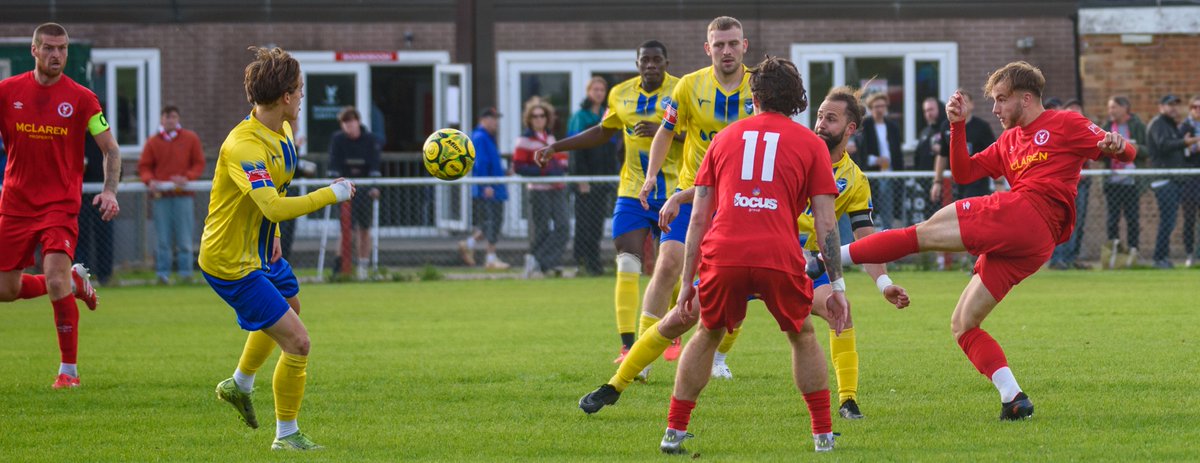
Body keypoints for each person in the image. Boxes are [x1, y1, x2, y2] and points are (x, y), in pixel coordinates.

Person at [577, 86, 911, 423]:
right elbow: (732, 180)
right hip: (752, 248)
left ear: (850, 128)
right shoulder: (793, 146)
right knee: (683, 316)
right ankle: (615, 384)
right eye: (820, 115)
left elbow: (866, 241)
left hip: (800, 264)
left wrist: (884, 283)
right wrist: (681, 196)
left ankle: (848, 401)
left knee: (840, 314)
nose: (820, 123)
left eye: (831, 119)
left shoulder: (854, 180)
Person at [838, 61, 1136, 420]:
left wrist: (1119, 146)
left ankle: (826, 258)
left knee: (921, 233)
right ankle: (1014, 398)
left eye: (1001, 99)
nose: (995, 108)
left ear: (1026, 99)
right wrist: (957, 126)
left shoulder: (1064, 122)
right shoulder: (1009, 140)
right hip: (1034, 244)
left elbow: (1127, 152)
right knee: (963, 324)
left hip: (1028, 214)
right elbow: (964, 173)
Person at [656, 56, 847, 455]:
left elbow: (698, 218)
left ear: (754, 96)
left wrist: (687, 281)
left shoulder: (724, 138)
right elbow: (827, 225)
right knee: (802, 334)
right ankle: (823, 435)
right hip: (778, 253)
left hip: (723, 252)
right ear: (797, 100)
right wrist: (838, 286)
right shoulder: (812, 145)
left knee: (707, 332)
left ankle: (673, 431)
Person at [203, 46, 355, 451]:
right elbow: (271, 204)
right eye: (300, 89)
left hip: (260, 248)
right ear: (286, 96)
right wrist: (331, 194)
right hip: (231, 261)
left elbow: (272, 194)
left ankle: (239, 384)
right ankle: (286, 436)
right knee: (298, 342)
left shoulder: (283, 129)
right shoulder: (244, 146)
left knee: (291, 305)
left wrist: (272, 236)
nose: (303, 96)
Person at [535, 41, 684, 355]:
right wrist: (556, 147)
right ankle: (628, 347)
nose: (651, 65)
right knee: (628, 262)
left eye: (657, 60)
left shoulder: (682, 91)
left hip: (675, 192)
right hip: (632, 193)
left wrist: (664, 130)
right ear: (637, 64)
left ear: (667, 63)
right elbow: (603, 131)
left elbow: (698, 134)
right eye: (645, 60)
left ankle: (671, 330)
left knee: (670, 266)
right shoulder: (620, 93)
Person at [0, 23, 118, 389]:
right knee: (5, 289)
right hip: (16, 204)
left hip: (59, 205)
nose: (57, 55)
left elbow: (111, 150)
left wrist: (110, 191)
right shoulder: (7, 92)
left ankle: (69, 372)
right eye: (49, 48)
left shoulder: (83, 99)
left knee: (53, 278)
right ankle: (74, 282)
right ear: (34, 50)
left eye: (62, 48)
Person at [634, 16, 755, 369]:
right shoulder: (689, 85)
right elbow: (666, 132)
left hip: (741, 198)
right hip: (693, 191)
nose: (726, 51)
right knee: (668, 264)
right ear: (708, 48)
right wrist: (651, 176)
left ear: (744, 46)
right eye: (719, 45)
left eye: (733, 44)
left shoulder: (759, 86)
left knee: (738, 282)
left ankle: (718, 358)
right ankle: (641, 358)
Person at [138, 105, 206, 284]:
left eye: (173, 117)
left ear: (178, 119)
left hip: (184, 195)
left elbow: (198, 163)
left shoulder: (190, 138)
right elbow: (144, 167)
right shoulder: (153, 142)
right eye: (167, 117)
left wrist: (187, 177)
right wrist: (150, 180)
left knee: (185, 239)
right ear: (162, 119)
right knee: (163, 240)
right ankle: (163, 275)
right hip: (161, 198)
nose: (170, 120)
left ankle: (186, 275)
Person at [566, 77, 618, 276]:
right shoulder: (580, 117)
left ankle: (594, 263)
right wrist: (580, 178)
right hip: (586, 181)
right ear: (588, 91)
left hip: (603, 180)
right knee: (584, 223)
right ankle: (581, 262)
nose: (598, 93)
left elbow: (612, 148)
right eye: (595, 89)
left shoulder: (607, 115)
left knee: (597, 225)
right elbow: (575, 149)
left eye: (602, 89)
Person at [512, 97, 569, 278]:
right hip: (538, 190)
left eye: (542, 115)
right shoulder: (524, 140)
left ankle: (540, 261)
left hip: (557, 188)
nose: (538, 119)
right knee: (541, 229)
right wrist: (544, 171)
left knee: (563, 226)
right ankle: (539, 263)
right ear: (529, 119)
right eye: (535, 116)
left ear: (547, 117)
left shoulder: (551, 137)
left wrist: (560, 166)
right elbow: (519, 167)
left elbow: (561, 161)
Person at [328, 106, 381, 280]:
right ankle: (340, 265)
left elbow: (375, 165)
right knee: (346, 230)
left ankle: (363, 266)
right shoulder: (338, 140)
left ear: (358, 122)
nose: (348, 126)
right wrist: (336, 184)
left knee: (364, 229)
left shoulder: (370, 140)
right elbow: (333, 164)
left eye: (350, 122)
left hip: (365, 191)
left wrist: (374, 187)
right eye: (344, 123)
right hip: (345, 191)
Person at [1146, 94, 1200, 268]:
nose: (1174, 108)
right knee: (1167, 221)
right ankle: (1159, 258)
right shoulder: (1158, 124)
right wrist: (1185, 142)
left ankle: (1163, 257)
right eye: (1170, 105)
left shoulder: (1171, 125)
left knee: (1170, 221)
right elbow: (1163, 145)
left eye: (1176, 104)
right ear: (1161, 107)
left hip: (1174, 179)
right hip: (1163, 179)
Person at [1049, 99, 1098, 270]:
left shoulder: (1085, 131)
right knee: (1062, 222)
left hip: (1082, 184)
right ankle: (1057, 258)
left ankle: (1071, 258)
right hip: (1064, 185)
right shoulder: (1059, 132)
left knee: (1078, 222)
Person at [461, 107, 511, 270]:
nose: (496, 123)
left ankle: (468, 244)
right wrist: (486, 185)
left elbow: (492, 162)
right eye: (492, 119)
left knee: (490, 223)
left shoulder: (487, 137)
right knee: (493, 222)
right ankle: (490, 258)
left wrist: (504, 172)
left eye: (496, 119)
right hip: (490, 188)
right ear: (483, 120)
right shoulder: (480, 137)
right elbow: (481, 163)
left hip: (495, 186)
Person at [1100, 96, 1147, 268]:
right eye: (1109, 107)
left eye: (1114, 107)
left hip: (1131, 181)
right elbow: (1098, 153)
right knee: (1112, 220)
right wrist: (1107, 150)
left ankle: (1134, 253)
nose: (1111, 111)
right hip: (1112, 181)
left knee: (1133, 219)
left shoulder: (1137, 125)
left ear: (1125, 107)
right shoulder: (1106, 127)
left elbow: (1148, 150)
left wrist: (1135, 148)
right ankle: (1113, 253)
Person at [857, 92, 904, 230]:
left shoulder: (892, 126)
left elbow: (897, 151)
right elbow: (862, 151)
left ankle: (887, 231)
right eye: (876, 106)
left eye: (882, 106)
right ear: (871, 108)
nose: (880, 109)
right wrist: (874, 160)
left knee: (889, 206)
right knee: (873, 205)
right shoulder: (865, 126)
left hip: (890, 172)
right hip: (872, 173)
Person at [76, 134, 114, 286]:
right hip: (79, 198)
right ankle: (80, 275)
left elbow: (117, 166)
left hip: (102, 197)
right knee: (80, 238)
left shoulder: (106, 141)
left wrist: (110, 189)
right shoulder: (73, 137)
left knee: (104, 236)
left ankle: (105, 275)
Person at [1182, 96, 1200, 267]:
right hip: (1189, 178)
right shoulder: (1184, 127)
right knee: (1189, 218)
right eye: (1195, 106)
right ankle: (1189, 254)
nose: (1198, 110)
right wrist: (1193, 147)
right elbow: (1179, 150)